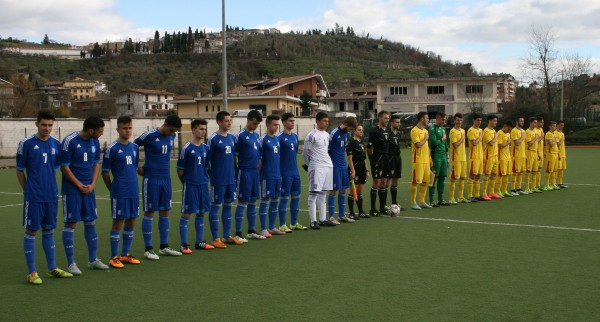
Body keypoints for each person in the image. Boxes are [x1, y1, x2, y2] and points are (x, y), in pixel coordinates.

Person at [18, 110, 73, 285]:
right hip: (34, 196)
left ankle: (52, 268)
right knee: (31, 231)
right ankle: (32, 272)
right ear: (37, 124)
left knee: (49, 230)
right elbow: (20, 170)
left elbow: (56, 167)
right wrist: (27, 189)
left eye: (50, 125)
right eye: (44, 125)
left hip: (51, 195)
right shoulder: (26, 143)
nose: (47, 128)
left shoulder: (56, 144)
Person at [60, 116, 108, 275]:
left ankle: (93, 260)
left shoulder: (95, 142)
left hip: (89, 188)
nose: (101, 134)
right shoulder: (70, 141)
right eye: (100, 131)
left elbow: (95, 165)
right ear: (91, 130)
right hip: (72, 189)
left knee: (90, 222)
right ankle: (71, 263)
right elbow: (65, 168)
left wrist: (92, 184)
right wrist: (79, 184)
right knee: (71, 224)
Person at [134, 115, 183, 259]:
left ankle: (164, 246)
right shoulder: (149, 135)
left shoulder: (172, 136)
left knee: (165, 211)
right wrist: (137, 166)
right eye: (172, 130)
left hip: (165, 179)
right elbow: (133, 146)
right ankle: (148, 249)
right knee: (149, 212)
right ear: (166, 124)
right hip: (151, 179)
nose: (173, 133)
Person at [102, 116, 142, 268]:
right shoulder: (112, 149)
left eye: (130, 128)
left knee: (132, 220)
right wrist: (112, 188)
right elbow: (105, 172)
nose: (128, 130)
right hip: (119, 190)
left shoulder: (134, 148)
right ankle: (114, 257)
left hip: (133, 190)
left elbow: (135, 167)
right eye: (125, 128)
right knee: (118, 221)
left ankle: (125, 254)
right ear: (118, 129)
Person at [176, 119, 216, 253]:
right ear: (193, 130)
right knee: (186, 214)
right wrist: (187, 182)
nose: (203, 131)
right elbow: (180, 170)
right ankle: (184, 245)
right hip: (191, 185)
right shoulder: (186, 148)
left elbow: (206, 166)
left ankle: (200, 242)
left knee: (201, 213)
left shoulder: (206, 148)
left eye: (204, 129)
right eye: (200, 129)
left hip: (203, 184)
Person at [207, 111, 243, 248]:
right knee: (215, 207)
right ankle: (215, 238)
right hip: (218, 180)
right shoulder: (213, 139)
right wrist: (211, 175)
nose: (229, 123)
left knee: (228, 206)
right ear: (219, 122)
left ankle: (227, 235)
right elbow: (207, 160)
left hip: (231, 179)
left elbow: (234, 158)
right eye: (226, 121)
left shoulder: (232, 138)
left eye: (230, 120)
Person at [234, 110, 265, 240]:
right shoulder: (239, 136)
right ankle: (238, 233)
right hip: (244, 171)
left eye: (257, 124)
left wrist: (258, 169)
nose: (256, 126)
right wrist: (237, 171)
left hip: (254, 173)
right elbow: (234, 156)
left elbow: (259, 155)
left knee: (253, 201)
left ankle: (251, 230)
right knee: (243, 201)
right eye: (254, 123)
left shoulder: (257, 136)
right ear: (248, 120)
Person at [303, 112, 336, 229]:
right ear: (317, 121)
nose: (326, 123)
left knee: (323, 193)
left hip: (328, 166)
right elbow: (305, 153)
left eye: (327, 121)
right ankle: (313, 221)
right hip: (317, 166)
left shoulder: (327, 135)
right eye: (324, 121)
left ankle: (322, 219)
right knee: (313, 194)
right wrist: (310, 165)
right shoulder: (311, 135)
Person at [277, 113, 307, 231]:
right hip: (284, 173)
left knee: (296, 197)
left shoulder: (294, 136)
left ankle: (294, 223)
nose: (293, 123)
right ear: (283, 122)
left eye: (293, 121)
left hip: (295, 172)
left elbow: (294, 154)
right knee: (284, 198)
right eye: (290, 121)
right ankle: (282, 224)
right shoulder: (279, 138)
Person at [328, 116, 357, 223]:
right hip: (334, 166)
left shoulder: (347, 134)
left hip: (343, 165)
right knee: (333, 190)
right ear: (346, 124)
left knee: (344, 189)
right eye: (351, 129)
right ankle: (331, 217)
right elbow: (327, 150)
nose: (351, 131)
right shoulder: (334, 133)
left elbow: (344, 150)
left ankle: (342, 215)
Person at [261, 115, 285, 234]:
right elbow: (259, 160)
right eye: (274, 125)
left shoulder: (277, 139)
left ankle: (272, 227)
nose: (276, 127)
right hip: (267, 175)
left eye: (277, 125)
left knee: (275, 200)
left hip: (277, 175)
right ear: (268, 124)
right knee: (265, 201)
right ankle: (263, 229)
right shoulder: (263, 139)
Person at [367, 111, 391, 216]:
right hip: (377, 158)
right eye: (385, 118)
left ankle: (382, 208)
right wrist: (372, 159)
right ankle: (373, 209)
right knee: (376, 182)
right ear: (380, 118)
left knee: (384, 182)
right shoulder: (374, 131)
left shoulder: (388, 130)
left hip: (387, 159)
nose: (387, 120)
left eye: (388, 118)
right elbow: (369, 147)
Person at [410, 112, 432, 210]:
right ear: (422, 119)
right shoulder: (414, 131)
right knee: (415, 182)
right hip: (418, 160)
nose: (428, 120)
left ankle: (422, 201)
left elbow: (427, 147)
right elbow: (418, 145)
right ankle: (413, 202)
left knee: (425, 182)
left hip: (426, 160)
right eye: (427, 118)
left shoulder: (426, 131)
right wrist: (425, 139)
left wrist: (430, 159)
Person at [347, 125, 370, 219]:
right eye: (359, 130)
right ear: (354, 131)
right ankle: (351, 213)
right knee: (353, 191)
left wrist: (367, 170)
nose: (361, 132)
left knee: (360, 190)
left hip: (362, 169)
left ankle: (361, 212)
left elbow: (364, 158)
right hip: (354, 168)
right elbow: (349, 159)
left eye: (362, 130)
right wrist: (352, 171)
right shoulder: (351, 143)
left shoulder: (361, 142)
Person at [428, 112, 450, 206]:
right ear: (438, 118)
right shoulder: (432, 128)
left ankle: (441, 199)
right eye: (443, 119)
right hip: (436, 156)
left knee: (442, 177)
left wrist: (447, 155)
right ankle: (432, 201)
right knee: (434, 178)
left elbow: (445, 145)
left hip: (443, 156)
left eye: (445, 119)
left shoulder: (443, 129)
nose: (444, 121)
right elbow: (433, 142)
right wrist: (442, 139)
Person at [448, 113, 467, 204]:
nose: (459, 122)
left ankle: (460, 197)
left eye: (460, 120)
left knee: (462, 178)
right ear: (454, 121)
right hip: (456, 159)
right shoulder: (452, 131)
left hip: (463, 157)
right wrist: (462, 139)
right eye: (457, 120)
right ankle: (451, 198)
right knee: (453, 178)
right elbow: (455, 145)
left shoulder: (463, 130)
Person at [387, 114, 405, 210]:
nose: (399, 124)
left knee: (396, 180)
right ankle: (385, 205)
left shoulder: (397, 133)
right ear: (391, 123)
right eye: (397, 122)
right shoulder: (387, 133)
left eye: (399, 122)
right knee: (388, 180)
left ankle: (394, 204)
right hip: (391, 159)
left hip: (398, 159)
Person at [482, 114, 500, 200]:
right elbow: (491, 143)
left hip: (495, 156)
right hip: (488, 156)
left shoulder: (494, 131)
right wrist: (496, 136)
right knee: (487, 175)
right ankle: (484, 193)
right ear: (489, 121)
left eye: (496, 121)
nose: (496, 122)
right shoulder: (486, 131)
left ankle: (492, 192)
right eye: (494, 120)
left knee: (494, 174)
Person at [467, 114, 485, 202]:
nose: (479, 122)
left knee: (478, 176)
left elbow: (480, 143)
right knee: (472, 176)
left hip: (480, 156)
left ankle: (477, 195)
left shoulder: (480, 130)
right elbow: (474, 143)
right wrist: (480, 136)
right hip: (474, 157)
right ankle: (470, 196)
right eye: (478, 120)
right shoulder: (471, 130)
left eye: (480, 120)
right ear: (473, 120)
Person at [496, 120, 514, 197]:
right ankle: (498, 191)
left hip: (507, 157)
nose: (509, 130)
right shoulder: (499, 133)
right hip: (501, 157)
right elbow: (500, 146)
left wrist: (507, 143)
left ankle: (504, 190)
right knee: (501, 174)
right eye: (509, 129)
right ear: (505, 126)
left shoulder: (508, 134)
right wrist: (507, 143)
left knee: (506, 174)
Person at [510, 117, 527, 195]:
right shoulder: (514, 131)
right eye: (521, 121)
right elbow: (517, 143)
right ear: (517, 122)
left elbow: (524, 144)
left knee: (520, 172)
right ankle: (513, 190)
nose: (522, 122)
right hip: (516, 155)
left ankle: (519, 188)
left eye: (523, 121)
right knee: (515, 172)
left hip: (522, 155)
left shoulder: (523, 131)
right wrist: (522, 137)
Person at [524, 117, 539, 194]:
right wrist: (535, 138)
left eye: (536, 122)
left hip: (535, 153)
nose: (535, 124)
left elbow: (536, 143)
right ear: (530, 123)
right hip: (529, 153)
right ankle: (527, 188)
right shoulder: (527, 132)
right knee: (528, 171)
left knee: (535, 171)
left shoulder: (535, 131)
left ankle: (533, 187)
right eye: (534, 122)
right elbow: (529, 143)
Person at [543, 121, 559, 190]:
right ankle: (546, 185)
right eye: (553, 126)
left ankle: (553, 184)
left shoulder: (554, 134)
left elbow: (556, 144)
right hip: (551, 154)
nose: (555, 127)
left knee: (555, 170)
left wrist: (558, 153)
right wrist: (555, 140)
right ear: (550, 126)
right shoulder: (548, 134)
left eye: (555, 126)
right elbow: (551, 144)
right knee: (549, 170)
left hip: (555, 154)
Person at [533, 116, 545, 192]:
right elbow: (536, 142)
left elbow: (541, 142)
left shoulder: (541, 129)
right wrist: (538, 153)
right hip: (536, 153)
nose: (543, 124)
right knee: (535, 170)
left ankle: (538, 185)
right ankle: (533, 187)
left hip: (541, 152)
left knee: (539, 170)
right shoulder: (534, 130)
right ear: (537, 122)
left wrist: (543, 151)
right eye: (541, 122)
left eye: (543, 122)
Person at [556, 120, 568, 188]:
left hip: (563, 153)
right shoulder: (555, 133)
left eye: (563, 125)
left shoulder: (562, 133)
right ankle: (554, 183)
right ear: (557, 125)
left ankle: (560, 183)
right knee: (557, 169)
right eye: (561, 125)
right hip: (558, 153)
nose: (562, 126)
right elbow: (557, 144)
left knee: (561, 169)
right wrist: (562, 139)